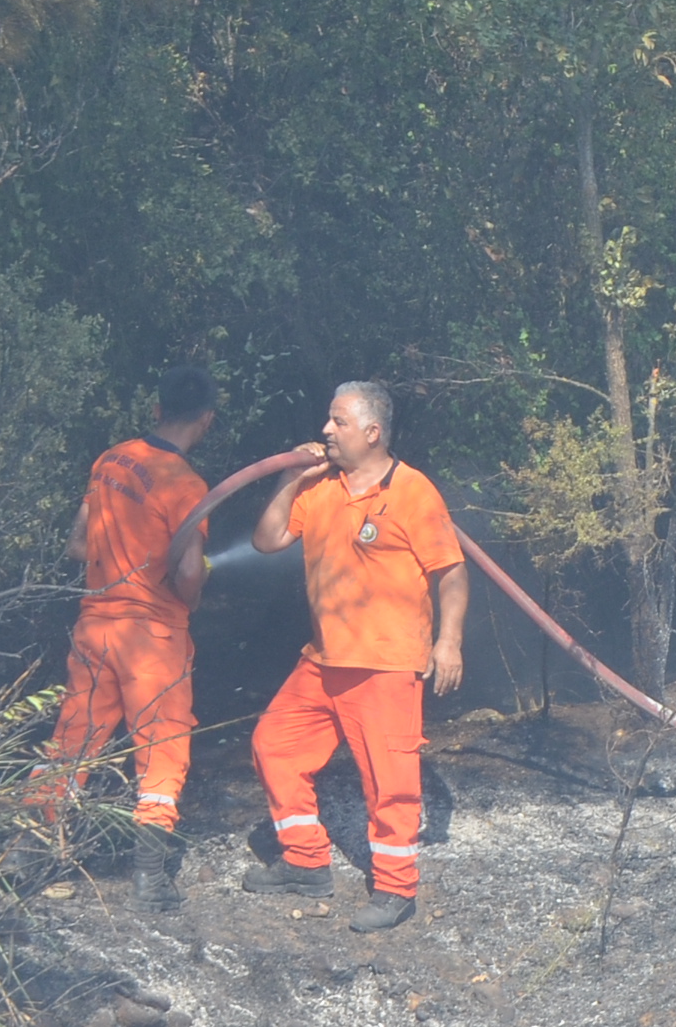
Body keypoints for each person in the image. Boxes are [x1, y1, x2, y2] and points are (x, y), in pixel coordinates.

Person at [241, 379, 466, 932]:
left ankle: (395, 889)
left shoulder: (413, 491)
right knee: (274, 745)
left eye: (337, 422)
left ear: (372, 432)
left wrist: (449, 641)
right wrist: (294, 480)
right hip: (322, 661)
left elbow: (451, 571)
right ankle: (306, 860)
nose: (325, 431)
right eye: (328, 420)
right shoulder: (319, 488)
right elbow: (266, 540)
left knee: (389, 781)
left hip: (386, 664)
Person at [31, 358, 216, 909]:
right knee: (162, 752)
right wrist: (196, 589)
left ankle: (26, 852)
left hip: (94, 626)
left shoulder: (109, 460)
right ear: (205, 420)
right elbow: (187, 573)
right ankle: (150, 881)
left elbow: (78, 546)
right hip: (152, 639)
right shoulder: (188, 485)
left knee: (71, 742)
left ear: (157, 409)